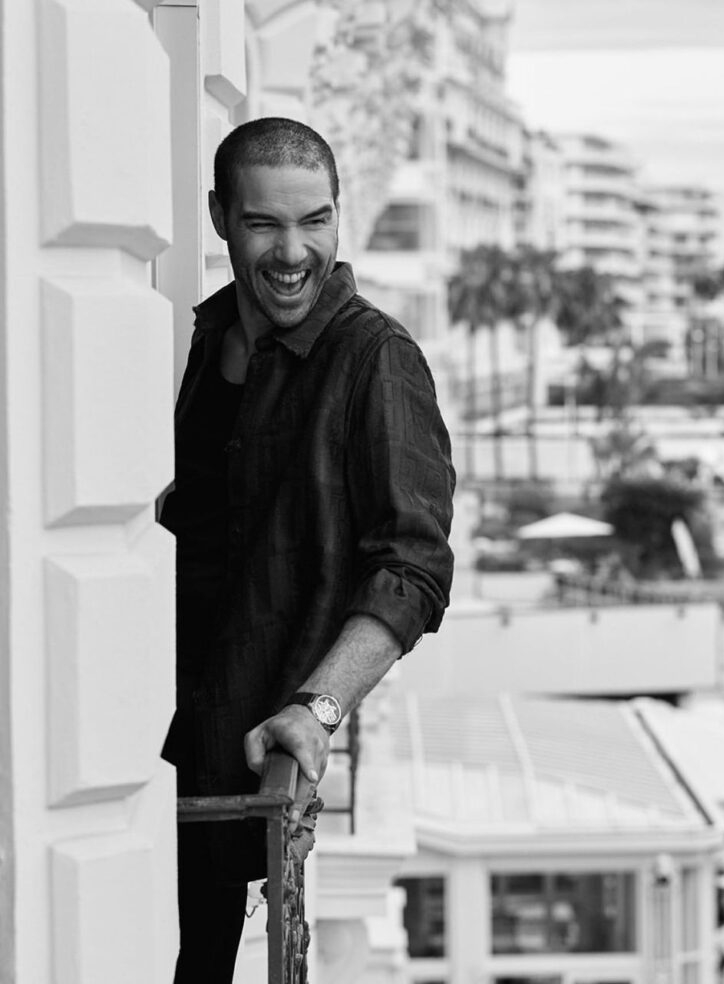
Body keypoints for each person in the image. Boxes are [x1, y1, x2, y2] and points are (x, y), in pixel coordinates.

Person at [159, 117, 455, 983]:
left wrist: (319, 708)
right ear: (220, 217)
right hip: (148, 745)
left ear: (337, 215)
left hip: (242, 764)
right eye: (263, 224)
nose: (293, 252)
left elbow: (414, 566)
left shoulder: (376, 358)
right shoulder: (208, 339)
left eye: (314, 221)